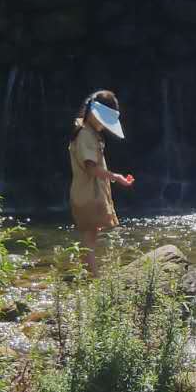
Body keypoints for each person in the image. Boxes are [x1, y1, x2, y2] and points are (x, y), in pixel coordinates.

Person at [69, 90, 134, 276]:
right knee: (90, 235)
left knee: (92, 234)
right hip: (87, 194)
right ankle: (94, 276)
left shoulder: (88, 132)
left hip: (91, 193)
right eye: (103, 121)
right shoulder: (85, 135)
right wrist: (117, 177)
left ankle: (86, 271)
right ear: (92, 114)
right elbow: (90, 168)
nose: (104, 126)